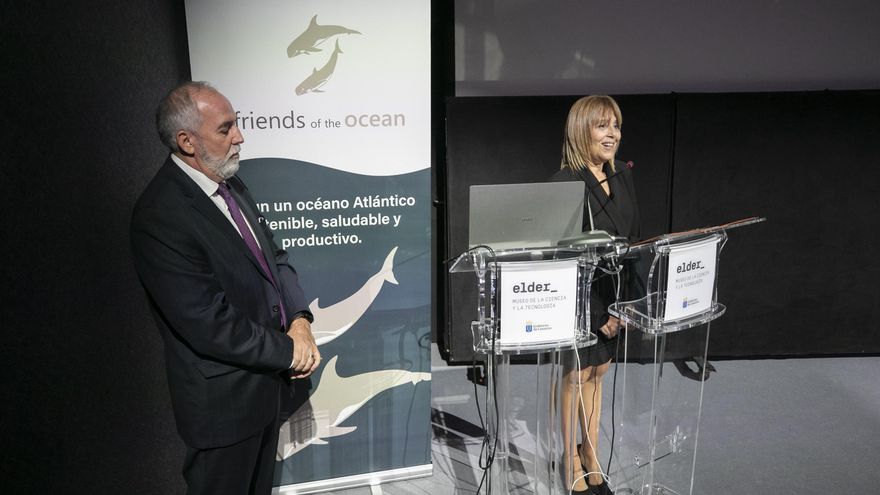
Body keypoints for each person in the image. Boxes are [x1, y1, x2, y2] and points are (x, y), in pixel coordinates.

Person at [131, 81, 321, 495]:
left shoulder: (231, 184)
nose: (240, 137)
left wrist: (300, 320)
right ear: (187, 141)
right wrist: (290, 351)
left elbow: (275, 258)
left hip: (267, 391)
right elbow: (207, 322)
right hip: (224, 409)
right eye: (225, 128)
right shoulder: (160, 215)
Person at [549, 95, 640, 494]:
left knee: (599, 372)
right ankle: (569, 458)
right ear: (580, 131)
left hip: (615, 294)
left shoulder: (621, 175)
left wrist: (626, 304)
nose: (612, 134)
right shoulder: (564, 183)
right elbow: (560, 255)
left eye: (615, 126)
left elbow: (633, 240)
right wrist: (597, 311)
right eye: (602, 125)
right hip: (580, 298)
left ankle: (591, 453)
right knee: (576, 374)